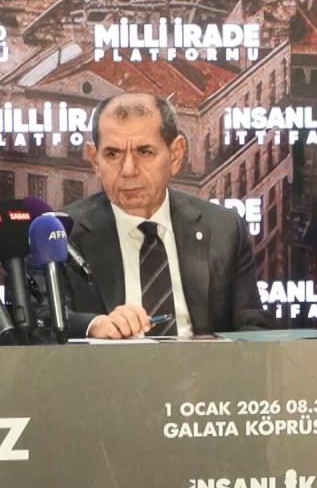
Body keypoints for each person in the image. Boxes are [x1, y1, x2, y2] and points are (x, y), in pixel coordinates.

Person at [63, 93, 269, 338]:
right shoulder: (62, 233)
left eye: (144, 152)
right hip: (107, 364)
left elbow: (252, 329)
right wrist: (94, 325)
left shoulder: (223, 229)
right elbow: (40, 320)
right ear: (94, 160)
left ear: (176, 155)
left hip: (204, 362)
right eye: (113, 154)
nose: (128, 170)